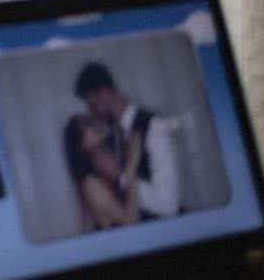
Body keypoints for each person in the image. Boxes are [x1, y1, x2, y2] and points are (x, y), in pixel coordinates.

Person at [73, 61, 182, 221]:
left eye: (92, 104)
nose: (92, 113)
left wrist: (121, 177)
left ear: (104, 93)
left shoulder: (153, 127)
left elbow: (168, 206)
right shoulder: (108, 136)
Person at [63, 112, 144, 230]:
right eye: (85, 126)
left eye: (89, 122)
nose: (93, 126)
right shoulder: (90, 183)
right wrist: (132, 165)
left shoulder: (109, 159)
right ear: (80, 146)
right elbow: (131, 222)